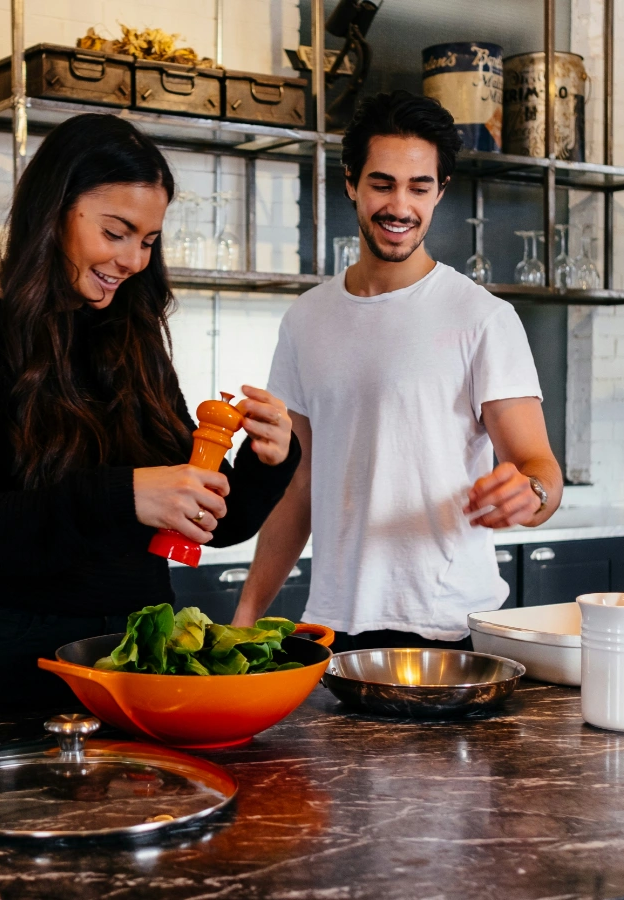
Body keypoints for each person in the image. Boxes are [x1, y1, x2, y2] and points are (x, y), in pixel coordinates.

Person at [0, 114, 301, 723]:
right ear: (53, 209)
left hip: (137, 663)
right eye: (117, 232)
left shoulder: (132, 338)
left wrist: (267, 460)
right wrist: (124, 497)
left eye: (149, 240)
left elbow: (206, 526)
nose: (133, 259)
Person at [231, 90, 563, 651]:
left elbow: (540, 471)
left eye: (419, 187)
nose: (400, 206)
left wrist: (529, 495)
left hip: (451, 628)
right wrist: (244, 617)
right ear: (351, 184)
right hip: (333, 628)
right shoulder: (307, 318)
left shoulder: (483, 317)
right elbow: (299, 484)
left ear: (441, 191)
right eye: (382, 184)